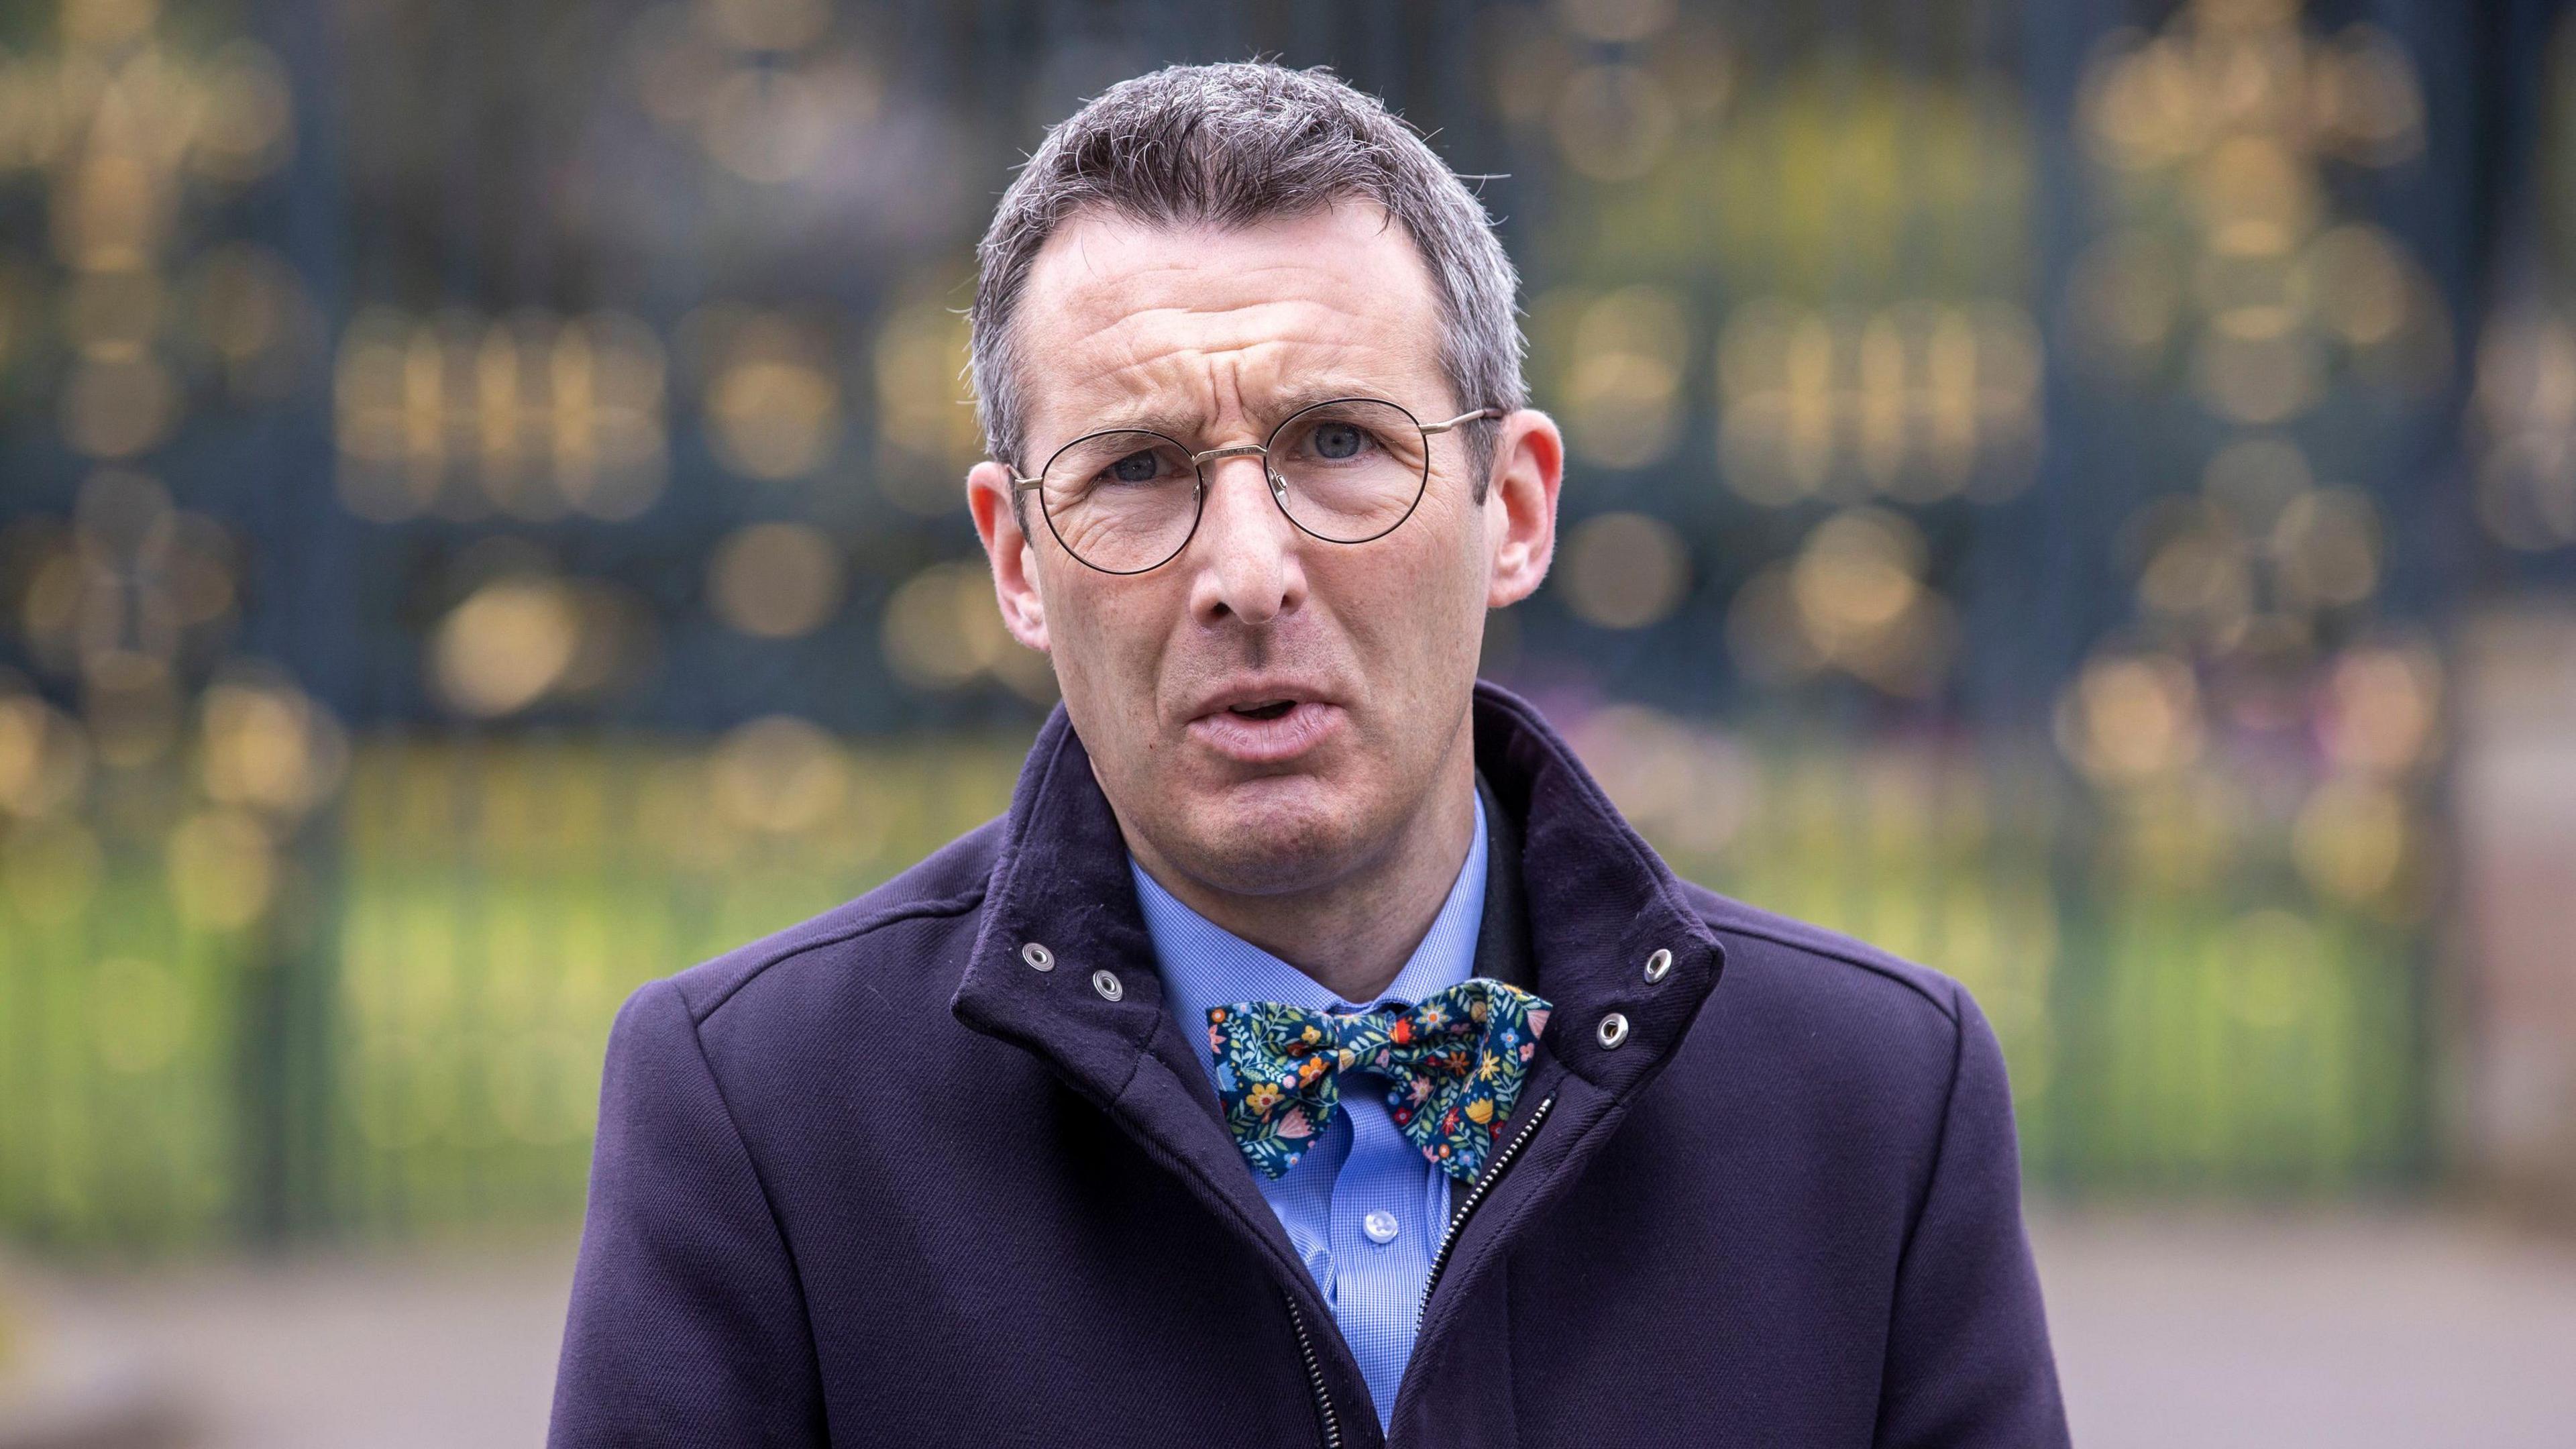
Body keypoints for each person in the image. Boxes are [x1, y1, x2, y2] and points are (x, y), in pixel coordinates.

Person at [549, 61, 2070, 1448]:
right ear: (1016, 557)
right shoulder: (766, 1117)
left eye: (1339, 444)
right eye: (1138, 470)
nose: (1249, 571)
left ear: (1515, 508)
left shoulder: (1876, 1105)